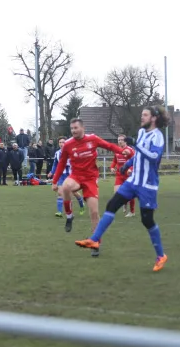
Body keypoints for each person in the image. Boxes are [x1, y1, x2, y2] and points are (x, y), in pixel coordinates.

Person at [74, 107, 169, 271]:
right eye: (142, 114)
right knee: (112, 204)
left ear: (154, 118)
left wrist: (137, 145)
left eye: (145, 115)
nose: (142, 117)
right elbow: (139, 155)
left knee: (147, 220)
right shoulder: (141, 132)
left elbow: (154, 157)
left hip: (148, 185)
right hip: (133, 181)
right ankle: (95, 239)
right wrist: (127, 164)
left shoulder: (158, 136)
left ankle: (161, 256)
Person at [52, 118, 126, 258]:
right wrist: (55, 181)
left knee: (94, 212)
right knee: (65, 187)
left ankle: (96, 243)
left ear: (82, 128)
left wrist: (122, 151)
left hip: (90, 179)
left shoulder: (93, 139)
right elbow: (61, 164)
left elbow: (109, 146)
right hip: (76, 176)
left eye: (75, 128)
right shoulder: (68, 145)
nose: (73, 130)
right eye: (71, 128)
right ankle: (69, 215)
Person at [48, 136, 84, 218]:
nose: (61, 144)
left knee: (73, 193)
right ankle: (60, 212)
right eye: (60, 142)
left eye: (63, 142)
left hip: (71, 175)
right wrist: (51, 172)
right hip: (61, 175)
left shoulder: (71, 151)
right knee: (61, 193)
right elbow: (55, 164)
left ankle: (81, 204)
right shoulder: (57, 153)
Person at [110, 134, 136, 217]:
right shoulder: (116, 150)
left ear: (125, 141)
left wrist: (130, 169)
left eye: (121, 140)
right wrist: (112, 167)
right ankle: (124, 202)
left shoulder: (130, 150)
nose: (120, 141)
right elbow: (114, 161)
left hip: (128, 175)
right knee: (117, 193)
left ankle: (132, 212)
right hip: (119, 175)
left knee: (130, 194)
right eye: (118, 140)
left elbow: (135, 161)